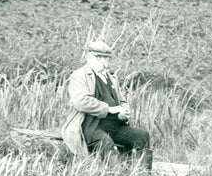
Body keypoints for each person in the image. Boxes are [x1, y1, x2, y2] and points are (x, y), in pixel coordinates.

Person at [62, 40, 152, 169]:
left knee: (142, 136)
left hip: (115, 125)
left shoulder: (111, 78)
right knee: (106, 142)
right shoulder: (79, 75)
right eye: (100, 58)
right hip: (90, 126)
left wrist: (124, 112)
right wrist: (110, 109)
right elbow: (81, 102)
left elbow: (122, 101)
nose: (104, 62)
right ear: (90, 57)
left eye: (107, 58)